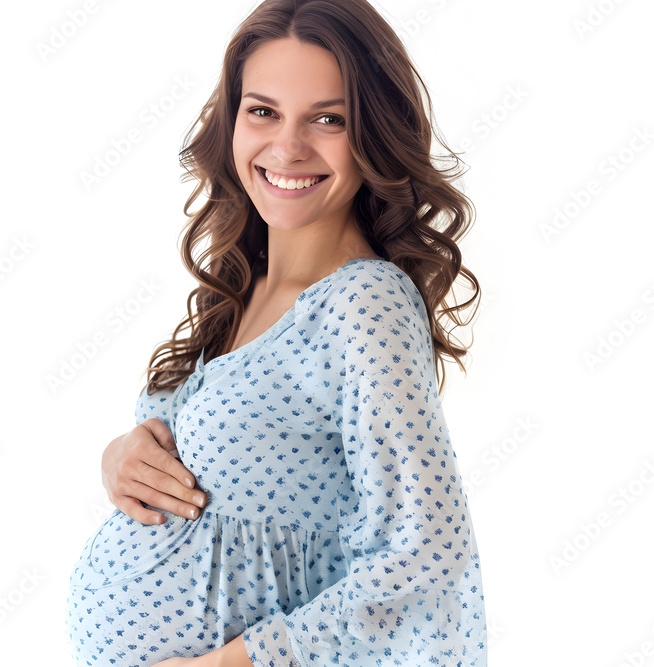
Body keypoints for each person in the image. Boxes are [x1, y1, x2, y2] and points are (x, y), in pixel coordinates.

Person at [66, 1, 486, 664]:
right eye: (263, 111)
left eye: (328, 119)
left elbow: (427, 549)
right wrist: (119, 457)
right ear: (231, 121)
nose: (287, 146)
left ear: (373, 134)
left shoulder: (363, 304)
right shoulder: (240, 288)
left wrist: (237, 662)